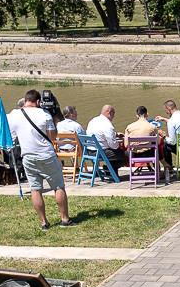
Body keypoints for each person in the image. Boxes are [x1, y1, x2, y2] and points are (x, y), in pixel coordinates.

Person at [15, 89, 72, 229]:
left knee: (35, 190)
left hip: (28, 156)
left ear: (25, 100)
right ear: (37, 101)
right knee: (58, 186)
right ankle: (64, 219)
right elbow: (52, 137)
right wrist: (54, 119)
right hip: (46, 155)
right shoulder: (44, 114)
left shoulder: (14, 115)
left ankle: (44, 223)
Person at [156, 99, 180, 170]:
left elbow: (172, 142)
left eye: (166, 111)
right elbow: (179, 122)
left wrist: (164, 136)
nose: (166, 113)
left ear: (168, 109)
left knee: (165, 145)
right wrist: (164, 119)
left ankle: (169, 169)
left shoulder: (171, 121)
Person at [85, 104, 126, 168]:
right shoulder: (108, 125)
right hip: (100, 152)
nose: (114, 116)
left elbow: (99, 133)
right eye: (114, 113)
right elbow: (113, 145)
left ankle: (110, 170)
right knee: (127, 155)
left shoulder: (93, 121)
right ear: (109, 113)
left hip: (90, 151)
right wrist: (119, 144)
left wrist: (115, 134)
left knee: (115, 153)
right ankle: (109, 169)